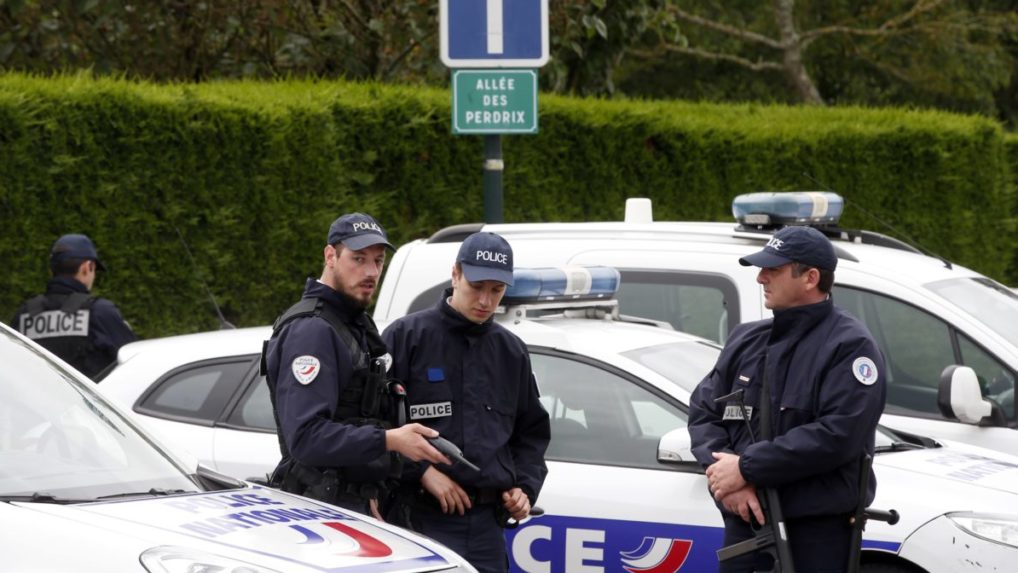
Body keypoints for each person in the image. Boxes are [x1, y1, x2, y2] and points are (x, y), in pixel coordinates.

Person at [688, 225, 887, 573]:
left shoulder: (849, 346)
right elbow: (704, 412)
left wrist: (746, 468)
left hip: (814, 535)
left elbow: (838, 434)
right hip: (745, 524)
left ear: (810, 278)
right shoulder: (746, 339)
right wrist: (726, 480)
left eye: (773, 269)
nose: (761, 278)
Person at [262, 212, 450, 519]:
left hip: (351, 503)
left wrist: (369, 492)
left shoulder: (352, 323)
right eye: (358, 259)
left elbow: (360, 417)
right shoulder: (312, 330)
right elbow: (307, 437)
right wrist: (391, 440)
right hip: (320, 508)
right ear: (330, 256)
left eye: (377, 261)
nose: (371, 271)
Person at [382, 232, 551, 573]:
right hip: (419, 519)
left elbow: (530, 434)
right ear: (456, 274)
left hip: (487, 527)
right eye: (478, 286)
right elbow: (374, 425)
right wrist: (423, 473)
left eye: (497, 290)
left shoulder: (511, 351)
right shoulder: (405, 337)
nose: (486, 300)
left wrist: (524, 489)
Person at [11, 233, 136, 380]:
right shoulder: (99, 312)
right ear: (86, 267)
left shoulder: (24, 315)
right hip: (85, 403)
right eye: (94, 270)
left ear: (52, 270)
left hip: (32, 402)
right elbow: (135, 362)